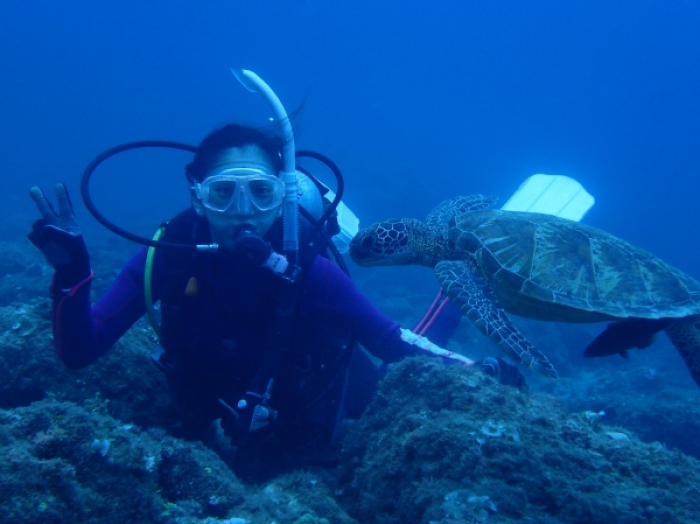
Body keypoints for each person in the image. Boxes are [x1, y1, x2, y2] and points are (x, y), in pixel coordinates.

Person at [28, 74, 523, 458]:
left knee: (391, 388)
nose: (243, 211)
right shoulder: (167, 260)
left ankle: (464, 278)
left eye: (260, 192)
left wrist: (476, 374)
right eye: (223, 193)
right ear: (196, 196)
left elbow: (391, 342)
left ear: (280, 197)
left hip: (321, 406)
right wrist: (71, 274)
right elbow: (79, 351)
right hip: (219, 420)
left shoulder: (307, 266)